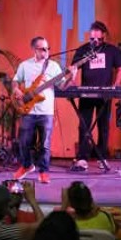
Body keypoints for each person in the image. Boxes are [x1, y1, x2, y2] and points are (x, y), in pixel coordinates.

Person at [12, 36, 75, 184]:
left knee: (45, 145)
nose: (46, 51)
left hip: (46, 111)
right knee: (24, 142)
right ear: (34, 50)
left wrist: (72, 76)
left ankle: (44, 172)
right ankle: (27, 165)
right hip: (28, 110)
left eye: (48, 48)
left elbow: (62, 86)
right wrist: (16, 89)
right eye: (42, 49)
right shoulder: (25, 65)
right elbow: (15, 80)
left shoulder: (53, 66)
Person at [70, 21, 121, 171]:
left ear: (104, 36)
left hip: (105, 94)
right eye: (92, 39)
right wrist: (73, 83)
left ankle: (102, 157)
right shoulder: (83, 50)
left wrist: (116, 84)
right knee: (84, 126)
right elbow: (73, 68)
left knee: (103, 126)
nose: (95, 41)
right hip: (86, 93)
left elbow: (120, 68)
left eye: (98, 39)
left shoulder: (111, 50)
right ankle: (82, 158)